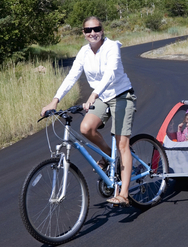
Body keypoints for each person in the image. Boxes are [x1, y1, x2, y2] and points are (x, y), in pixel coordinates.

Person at [40, 16, 136, 206]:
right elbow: (71, 76)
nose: (93, 33)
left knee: (122, 143)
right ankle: (110, 157)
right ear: (83, 33)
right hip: (101, 98)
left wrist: (94, 94)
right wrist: (55, 100)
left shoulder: (111, 47)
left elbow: (110, 72)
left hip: (121, 95)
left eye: (96, 29)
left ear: (102, 30)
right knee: (86, 128)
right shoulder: (84, 52)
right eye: (88, 30)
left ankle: (123, 193)